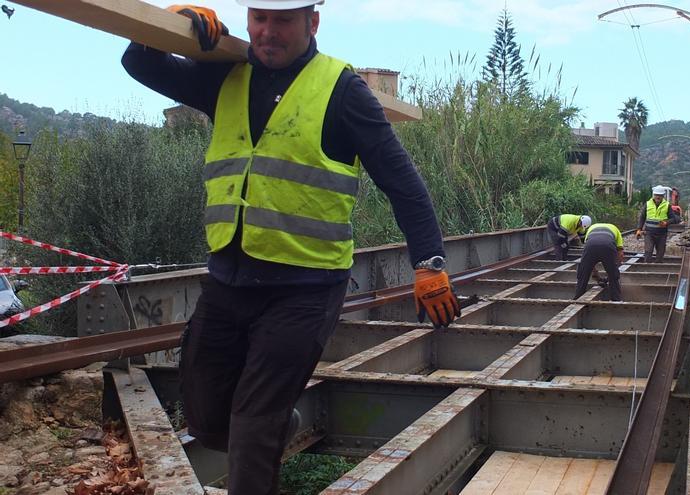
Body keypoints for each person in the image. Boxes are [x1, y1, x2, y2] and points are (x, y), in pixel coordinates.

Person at [122, 1, 461, 493]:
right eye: (259, 19)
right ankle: (279, 425)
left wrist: (428, 263)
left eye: (282, 21)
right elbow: (140, 64)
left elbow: (403, 182)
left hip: (303, 288)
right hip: (228, 280)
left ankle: (266, 431)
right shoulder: (226, 77)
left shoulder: (342, 91)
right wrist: (168, 25)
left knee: (253, 424)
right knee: (206, 413)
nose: (268, 32)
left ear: (312, 23)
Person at [574, 222, 624, 301]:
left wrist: (594, 273)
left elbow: (588, 262)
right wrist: (614, 269)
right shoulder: (615, 229)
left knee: (583, 274)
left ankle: (578, 298)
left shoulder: (591, 228)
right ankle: (616, 300)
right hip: (607, 245)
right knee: (613, 276)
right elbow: (620, 254)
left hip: (590, 245)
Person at [636, 185, 681, 263]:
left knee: (660, 254)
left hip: (661, 234)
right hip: (649, 233)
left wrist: (666, 222)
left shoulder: (667, 205)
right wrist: (639, 229)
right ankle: (646, 268)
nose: (658, 197)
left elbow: (674, 219)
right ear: (653, 195)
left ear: (663, 196)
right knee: (648, 251)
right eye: (656, 195)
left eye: (660, 195)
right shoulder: (647, 204)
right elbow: (642, 217)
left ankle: (658, 266)